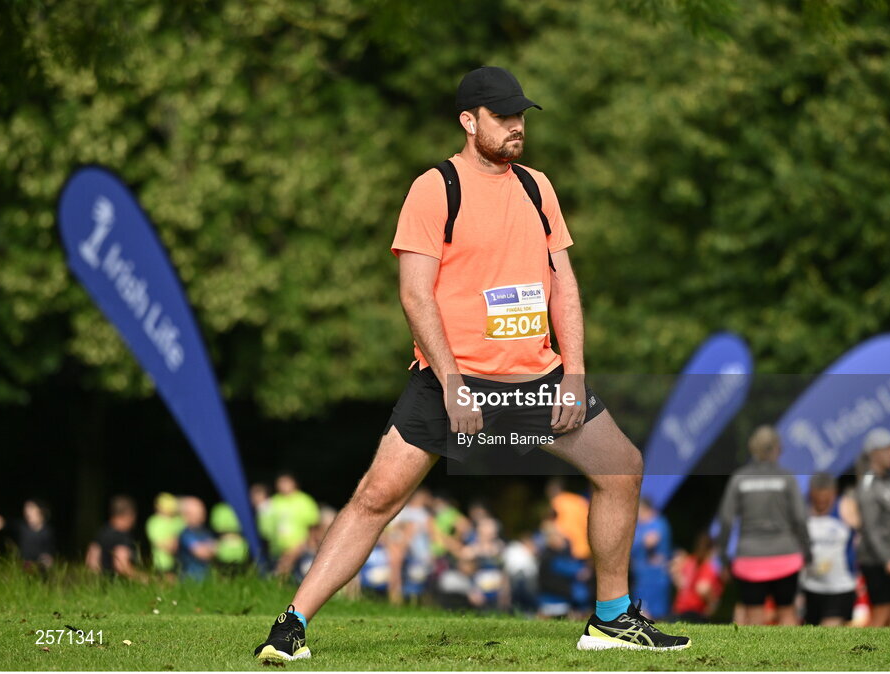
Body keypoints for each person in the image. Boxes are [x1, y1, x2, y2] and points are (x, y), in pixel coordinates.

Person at [252, 66, 689, 660]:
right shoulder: (434, 189)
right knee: (377, 498)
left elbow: (564, 285)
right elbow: (415, 294)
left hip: (537, 378)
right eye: (503, 117)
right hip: (455, 380)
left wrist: (575, 374)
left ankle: (611, 619)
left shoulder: (538, 187)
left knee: (623, 468)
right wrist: (453, 383)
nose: (515, 128)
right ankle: (291, 624)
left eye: (521, 118)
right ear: (468, 120)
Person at [716, 425, 811, 626]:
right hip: (786, 555)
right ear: (777, 448)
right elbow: (800, 518)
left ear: (752, 449)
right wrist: (807, 550)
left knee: (754, 615)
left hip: (749, 558)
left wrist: (723, 555)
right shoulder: (787, 478)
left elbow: (725, 519)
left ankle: (757, 657)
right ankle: (794, 656)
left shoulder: (739, 479)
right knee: (787, 611)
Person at [855, 429, 890, 627]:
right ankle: (868, 654)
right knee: (882, 610)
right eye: (888, 450)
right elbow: (870, 528)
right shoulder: (868, 485)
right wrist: (887, 559)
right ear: (874, 453)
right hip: (877, 559)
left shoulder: (889, 480)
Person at [802, 473, 857, 626]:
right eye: (817, 498)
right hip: (811, 586)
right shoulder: (803, 510)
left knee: (829, 632)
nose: (822, 502)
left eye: (826, 498)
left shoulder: (845, 507)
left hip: (840, 587)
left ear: (834, 493)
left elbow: (865, 533)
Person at [267, 473, 320, 576]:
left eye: (286, 482)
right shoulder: (273, 501)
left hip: (300, 545)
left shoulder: (304, 500)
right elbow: (267, 526)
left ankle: (279, 580)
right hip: (277, 547)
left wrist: (309, 543)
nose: (283, 485)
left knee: (288, 566)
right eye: (280, 483)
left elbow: (313, 525)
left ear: (294, 483)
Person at [630, 499, 671, 619]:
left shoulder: (657, 523)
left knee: (650, 614)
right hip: (641, 577)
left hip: (654, 578)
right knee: (640, 611)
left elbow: (651, 541)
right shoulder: (641, 526)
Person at [86, 495, 142, 580]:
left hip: (101, 587)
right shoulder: (123, 537)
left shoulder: (102, 532)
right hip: (121, 588)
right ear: (129, 513)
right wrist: (146, 579)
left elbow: (91, 563)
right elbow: (121, 566)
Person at [670, 532, 723, 622]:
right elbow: (702, 588)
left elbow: (679, 581)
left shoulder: (689, 561)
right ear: (711, 550)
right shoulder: (707, 566)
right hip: (695, 612)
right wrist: (713, 603)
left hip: (679, 610)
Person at [177, 497, 217, 582]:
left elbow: (216, 550)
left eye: (202, 512)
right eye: (198, 513)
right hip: (189, 581)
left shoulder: (206, 532)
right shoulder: (186, 534)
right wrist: (212, 547)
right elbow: (202, 553)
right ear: (186, 515)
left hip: (207, 579)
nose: (202, 516)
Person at [146, 493, 183, 576]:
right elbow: (160, 543)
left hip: (179, 561)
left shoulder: (178, 520)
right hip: (162, 563)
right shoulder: (154, 522)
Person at [17, 499, 55, 573]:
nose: (27, 512)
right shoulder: (21, 527)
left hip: (40, 566)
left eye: (31, 508)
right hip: (23, 565)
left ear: (41, 511)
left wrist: (46, 559)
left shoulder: (47, 531)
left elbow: (50, 551)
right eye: (26, 509)